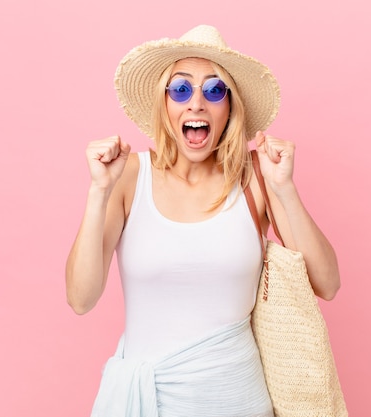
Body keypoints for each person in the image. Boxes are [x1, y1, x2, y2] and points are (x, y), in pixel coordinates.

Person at [66, 24, 341, 417]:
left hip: (240, 404)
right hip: (148, 407)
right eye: (181, 89)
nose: (196, 103)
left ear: (229, 107)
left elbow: (327, 283)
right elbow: (81, 298)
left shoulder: (255, 179)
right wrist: (98, 193)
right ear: (165, 104)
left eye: (214, 90)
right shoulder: (129, 176)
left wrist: (284, 187)